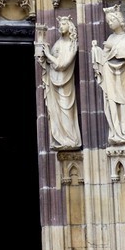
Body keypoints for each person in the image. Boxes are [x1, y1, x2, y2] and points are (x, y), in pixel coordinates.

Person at [91, 6, 125, 143]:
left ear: (120, 20)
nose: (109, 23)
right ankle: (116, 132)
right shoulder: (111, 37)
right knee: (111, 102)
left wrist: (112, 48)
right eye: (108, 21)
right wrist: (96, 51)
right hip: (110, 75)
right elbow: (104, 55)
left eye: (112, 20)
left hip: (123, 76)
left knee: (124, 103)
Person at [37, 17, 82, 150]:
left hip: (64, 85)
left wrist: (48, 55)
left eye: (63, 24)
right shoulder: (57, 43)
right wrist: (43, 56)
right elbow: (52, 62)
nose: (60, 27)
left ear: (70, 26)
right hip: (54, 82)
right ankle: (61, 138)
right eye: (59, 24)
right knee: (55, 111)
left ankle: (70, 139)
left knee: (65, 110)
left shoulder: (72, 45)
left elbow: (62, 64)